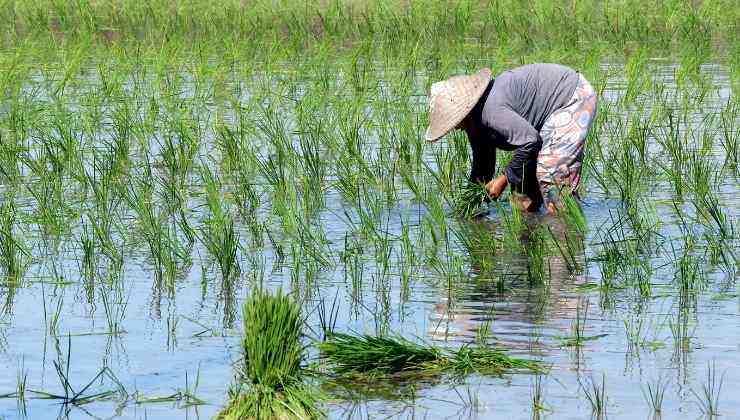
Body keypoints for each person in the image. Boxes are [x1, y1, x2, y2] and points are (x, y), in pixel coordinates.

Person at [424, 63, 598, 213]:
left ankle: (567, 234)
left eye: (455, 121)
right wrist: (470, 205)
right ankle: (527, 241)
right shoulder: (475, 123)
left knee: (551, 174)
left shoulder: (492, 111)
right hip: (543, 121)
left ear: (465, 112)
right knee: (521, 195)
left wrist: (503, 179)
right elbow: (482, 167)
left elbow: (531, 141)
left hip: (571, 97)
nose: (455, 128)